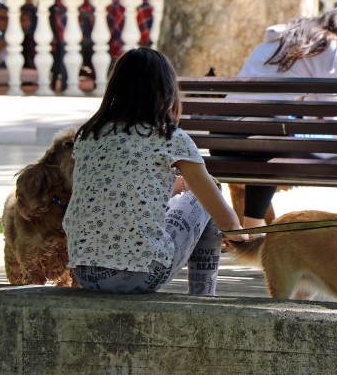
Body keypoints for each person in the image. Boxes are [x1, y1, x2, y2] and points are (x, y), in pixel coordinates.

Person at [63, 47, 248, 296]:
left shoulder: (89, 135)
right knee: (208, 192)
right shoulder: (169, 137)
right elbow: (224, 218)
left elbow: (117, 194)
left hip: (85, 273)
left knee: (185, 198)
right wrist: (237, 233)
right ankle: (204, 300)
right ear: (167, 91)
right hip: (141, 275)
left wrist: (177, 187)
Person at [235, 0, 337, 229]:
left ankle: (252, 227)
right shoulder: (328, 44)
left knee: (272, 140)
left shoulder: (287, 35)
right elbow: (334, 115)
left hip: (228, 136)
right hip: (262, 137)